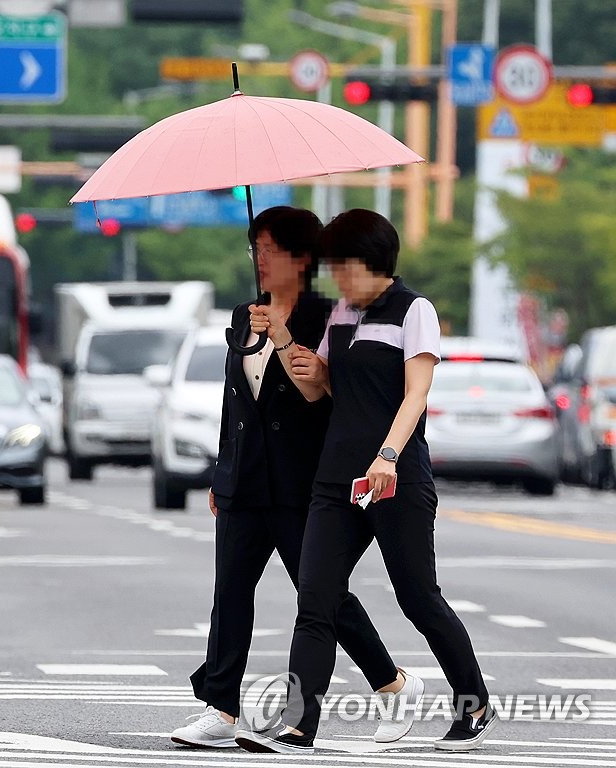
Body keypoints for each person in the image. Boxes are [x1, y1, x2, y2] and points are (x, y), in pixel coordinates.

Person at [235, 209, 495, 754]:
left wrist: (388, 456)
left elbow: (415, 394)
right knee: (316, 597)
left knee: (417, 597)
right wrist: (285, 343)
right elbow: (320, 391)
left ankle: (474, 701)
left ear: (376, 263)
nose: (339, 280)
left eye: (346, 268)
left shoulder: (413, 310)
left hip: (395, 477)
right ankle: (299, 725)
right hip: (336, 480)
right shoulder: (343, 316)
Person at [169, 206, 418, 750]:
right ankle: (222, 707)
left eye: (270, 249)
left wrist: (287, 345)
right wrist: (221, 467)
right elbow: (235, 403)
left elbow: (334, 400)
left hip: (301, 480)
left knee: (322, 594)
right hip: (244, 480)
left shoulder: (330, 316)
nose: (259, 259)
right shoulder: (244, 314)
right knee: (230, 592)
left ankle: (391, 683)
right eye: (254, 248)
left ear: (303, 259)